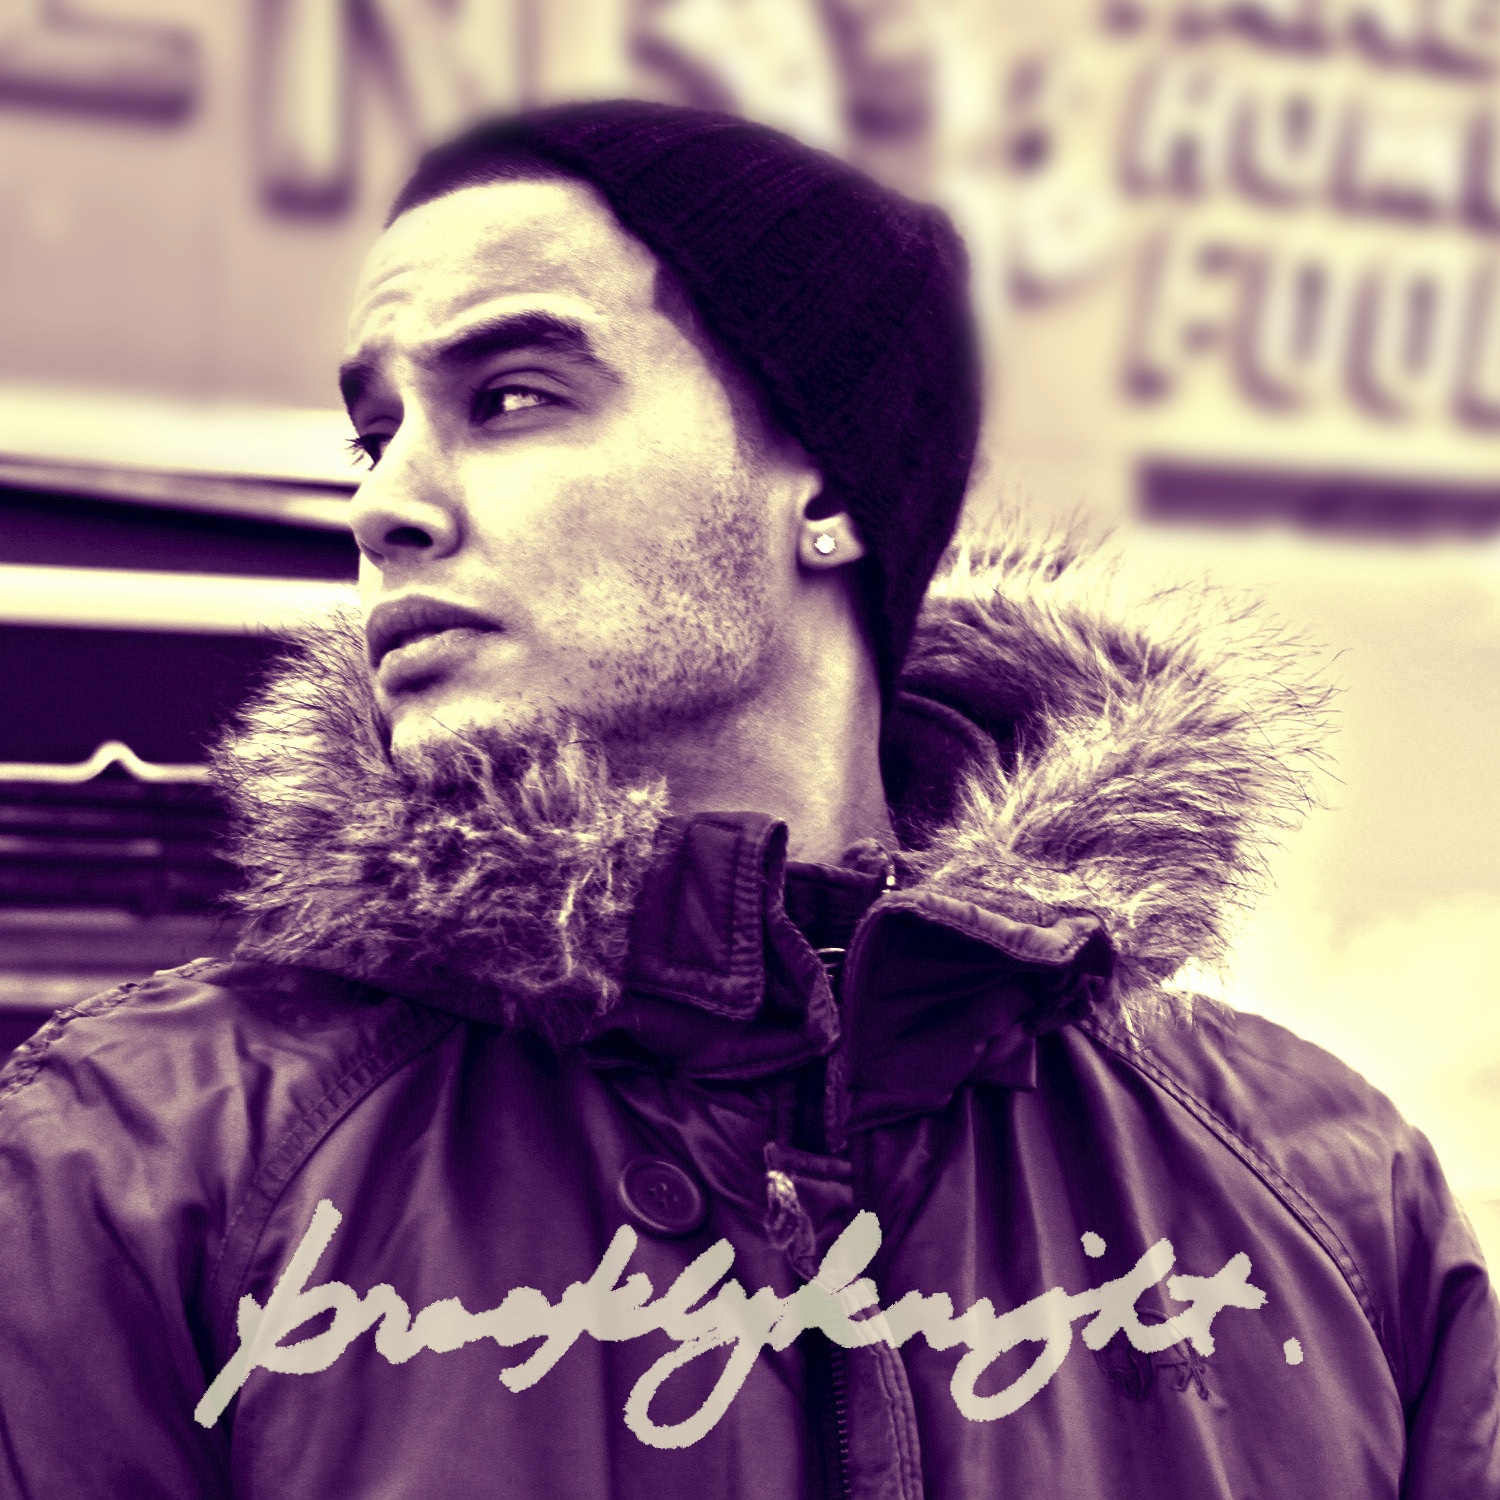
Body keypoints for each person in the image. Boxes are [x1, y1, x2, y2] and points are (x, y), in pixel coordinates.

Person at [0, 100, 1495, 1500]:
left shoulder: (1331, 1196)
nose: (384, 504)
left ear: (827, 489)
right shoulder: (136, 1161)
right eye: (375, 432)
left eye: (509, 398)